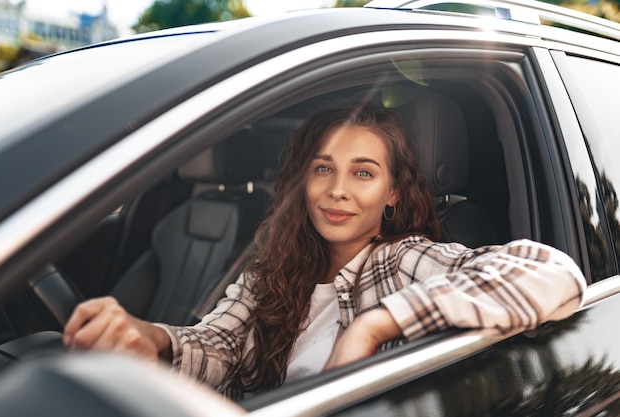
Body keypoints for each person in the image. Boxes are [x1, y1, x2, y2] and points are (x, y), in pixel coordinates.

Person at [63, 101, 586, 399]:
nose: (337, 189)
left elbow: (553, 270)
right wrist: (149, 338)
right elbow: (218, 348)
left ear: (394, 192)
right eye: (323, 168)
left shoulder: (402, 259)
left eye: (363, 172)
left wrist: (372, 326)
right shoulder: (275, 264)